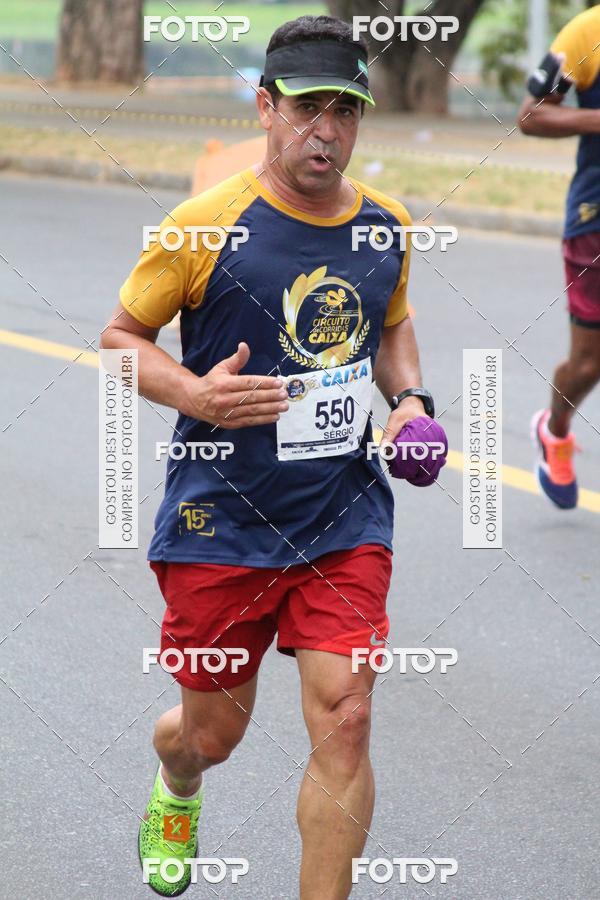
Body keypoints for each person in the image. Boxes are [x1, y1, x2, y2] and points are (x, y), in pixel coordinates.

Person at [102, 14, 444, 898]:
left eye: (346, 110)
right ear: (264, 107)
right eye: (306, 109)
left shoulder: (386, 226)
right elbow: (120, 338)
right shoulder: (201, 225)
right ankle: (177, 784)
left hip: (342, 516)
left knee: (350, 715)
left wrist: (408, 404)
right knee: (213, 737)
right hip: (219, 520)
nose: (326, 129)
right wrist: (197, 395)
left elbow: (393, 322)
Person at [519, 5, 600, 509]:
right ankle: (555, 431)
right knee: (590, 362)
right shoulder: (589, 31)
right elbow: (532, 114)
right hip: (596, 220)